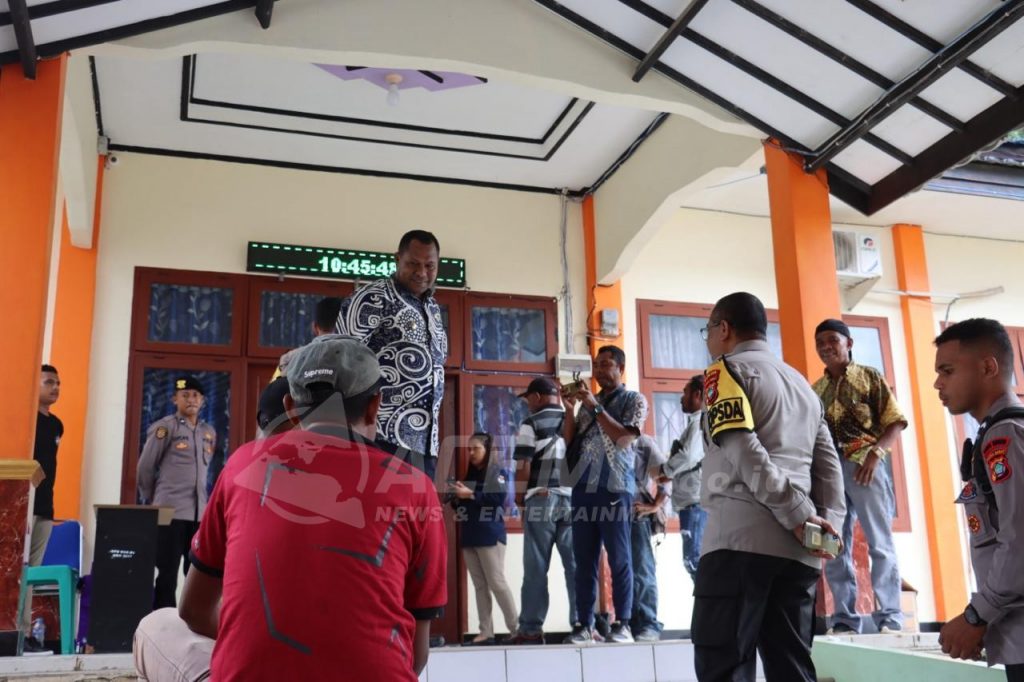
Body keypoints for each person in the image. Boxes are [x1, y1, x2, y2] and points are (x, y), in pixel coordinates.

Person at [133, 336, 447, 681]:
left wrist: (265, 643)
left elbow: (193, 610)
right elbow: (416, 656)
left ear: (289, 404)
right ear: (375, 405)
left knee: (156, 624)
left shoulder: (242, 465)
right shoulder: (416, 487)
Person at [692, 292, 845, 682]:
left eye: (708, 331)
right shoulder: (803, 385)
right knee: (792, 668)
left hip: (738, 544)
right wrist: (826, 526)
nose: (709, 340)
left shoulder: (724, 373)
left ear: (724, 329)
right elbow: (828, 467)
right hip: (801, 551)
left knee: (725, 666)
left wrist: (796, 514)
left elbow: (744, 449)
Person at [934, 318, 1024, 681]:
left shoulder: (1005, 438)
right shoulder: (995, 435)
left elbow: (1019, 541)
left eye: (948, 370)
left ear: (988, 367)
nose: (938, 383)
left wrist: (976, 616)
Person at [812, 318, 908, 634]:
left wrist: (875, 454)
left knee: (879, 542)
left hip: (865, 467)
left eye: (832, 340)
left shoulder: (869, 377)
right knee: (834, 545)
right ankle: (844, 619)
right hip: (830, 473)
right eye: (820, 343)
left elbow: (895, 421)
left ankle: (890, 617)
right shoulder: (816, 390)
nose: (826, 347)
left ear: (848, 343)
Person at [335, 230, 447, 479]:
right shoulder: (372, 298)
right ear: (397, 259)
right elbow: (340, 360)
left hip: (426, 444)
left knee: (418, 505)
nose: (422, 273)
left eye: (430, 266)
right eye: (413, 264)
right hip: (381, 437)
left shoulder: (433, 308)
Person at [564, 345, 648, 644]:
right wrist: (569, 410)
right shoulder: (590, 402)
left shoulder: (634, 400)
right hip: (582, 487)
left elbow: (624, 439)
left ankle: (623, 623)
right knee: (583, 560)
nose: (599, 370)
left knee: (619, 558)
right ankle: (585, 625)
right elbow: (570, 440)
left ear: (620, 368)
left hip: (615, 486)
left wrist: (594, 407)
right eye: (596, 365)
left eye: (606, 364)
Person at [137, 376, 217, 609]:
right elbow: (145, 467)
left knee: (196, 573)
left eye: (195, 395)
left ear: (202, 400)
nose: (191, 399)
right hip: (170, 513)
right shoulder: (165, 428)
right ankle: (165, 621)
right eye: (185, 395)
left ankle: (194, 619)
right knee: (167, 573)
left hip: (198, 515)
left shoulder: (208, 432)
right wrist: (154, 499)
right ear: (175, 399)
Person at [509, 377, 576, 645]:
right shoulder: (573, 420)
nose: (527, 404)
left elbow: (523, 465)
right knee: (575, 566)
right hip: (572, 500)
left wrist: (520, 500)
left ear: (537, 396)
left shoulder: (530, 423)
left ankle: (530, 630)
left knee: (536, 567)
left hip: (542, 498)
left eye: (528, 398)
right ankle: (583, 624)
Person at [449, 432, 517, 645]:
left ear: (487, 450)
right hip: (470, 535)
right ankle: (486, 632)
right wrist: (457, 498)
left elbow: (497, 499)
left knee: (497, 582)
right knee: (480, 585)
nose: (471, 453)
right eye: (469, 449)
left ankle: (517, 629)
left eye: (476, 448)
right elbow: (467, 503)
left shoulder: (498, 473)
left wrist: (470, 495)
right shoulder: (470, 475)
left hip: (490, 535)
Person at [22, 364, 64, 653]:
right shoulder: (25, 418)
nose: (55, 387)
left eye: (58, 383)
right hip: (23, 503)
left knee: (31, 572)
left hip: (45, 506)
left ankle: (24, 634)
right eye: (49, 382)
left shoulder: (56, 425)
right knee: (14, 569)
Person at [661, 375, 707, 581]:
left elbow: (688, 457)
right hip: (692, 503)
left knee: (694, 561)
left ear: (697, 395)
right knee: (694, 562)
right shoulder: (696, 423)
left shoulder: (699, 424)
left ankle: (708, 603)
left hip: (695, 503)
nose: (681, 398)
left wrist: (666, 471)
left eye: (685, 392)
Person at [630, 434, 668, 642]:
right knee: (622, 572)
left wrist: (655, 506)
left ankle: (648, 623)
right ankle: (629, 623)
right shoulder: (601, 439)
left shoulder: (643, 443)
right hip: (610, 517)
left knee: (642, 570)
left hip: (637, 516)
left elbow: (665, 477)